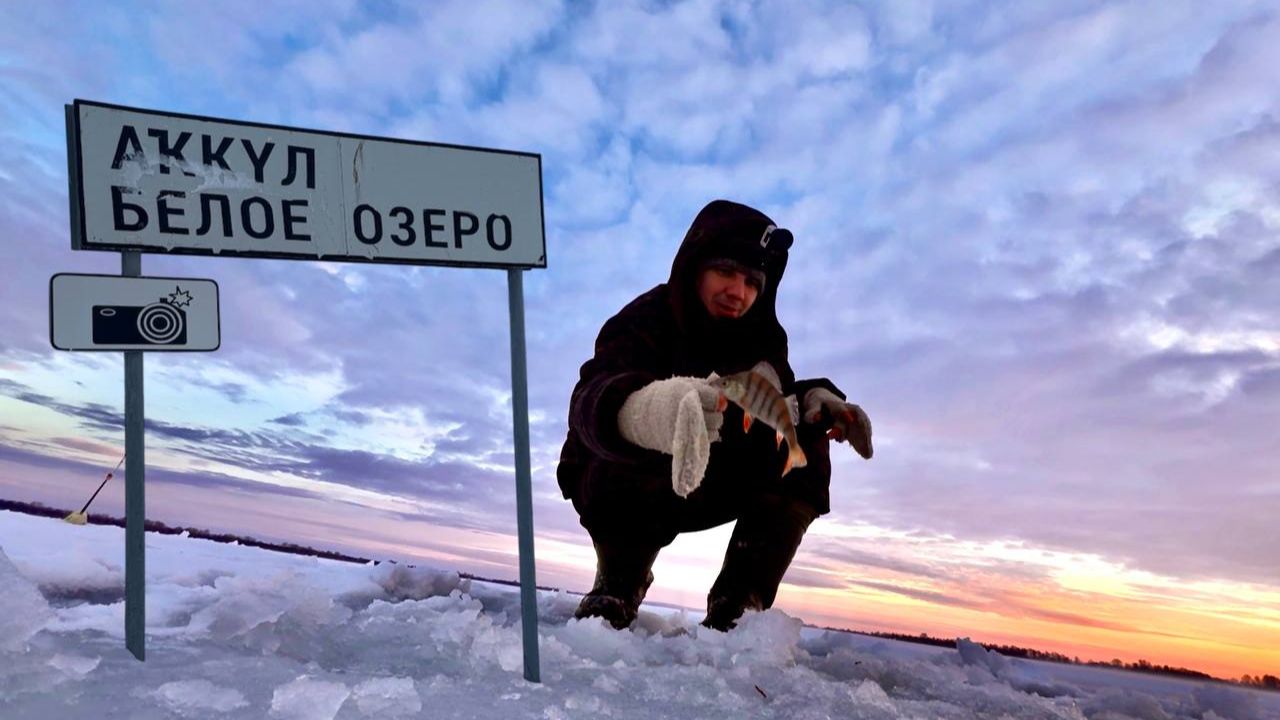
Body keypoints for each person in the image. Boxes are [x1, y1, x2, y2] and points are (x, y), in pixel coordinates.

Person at [556, 199, 873, 631]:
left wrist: (818, 400)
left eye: (752, 282)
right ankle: (619, 580)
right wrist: (647, 412)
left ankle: (738, 603)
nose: (738, 292)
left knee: (803, 444)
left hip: (712, 473)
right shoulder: (644, 318)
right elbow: (587, 402)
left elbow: (777, 397)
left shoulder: (763, 339)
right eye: (725, 271)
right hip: (628, 483)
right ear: (696, 266)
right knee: (617, 451)